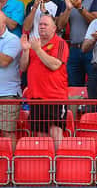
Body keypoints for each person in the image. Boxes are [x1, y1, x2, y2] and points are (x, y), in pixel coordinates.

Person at [19, 14, 68, 146]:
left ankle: (60, 163)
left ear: (54, 28)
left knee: (55, 131)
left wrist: (38, 50)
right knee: (40, 134)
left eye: (45, 24)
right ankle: (46, 165)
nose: (42, 27)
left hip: (54, 97)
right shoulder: (34, 44)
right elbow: (23, 67)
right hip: (36, 97)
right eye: (40, 24)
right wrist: (25, 51)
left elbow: (55, 65)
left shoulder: (60, 43)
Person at [58, 0, 97, 87]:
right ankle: (74, 106)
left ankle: (93, 106)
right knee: (73, 87)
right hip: (74, 49)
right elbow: (60, 26)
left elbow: (96, 21)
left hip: (91, 49)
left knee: (94, 86)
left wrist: (80, 8)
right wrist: (68, 9)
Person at [0, 11, 22, 147]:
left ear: (3, 24)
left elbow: (4, 61)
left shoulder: (12, 40)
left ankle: (10, 166)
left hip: (7, 94)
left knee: (7, 132)